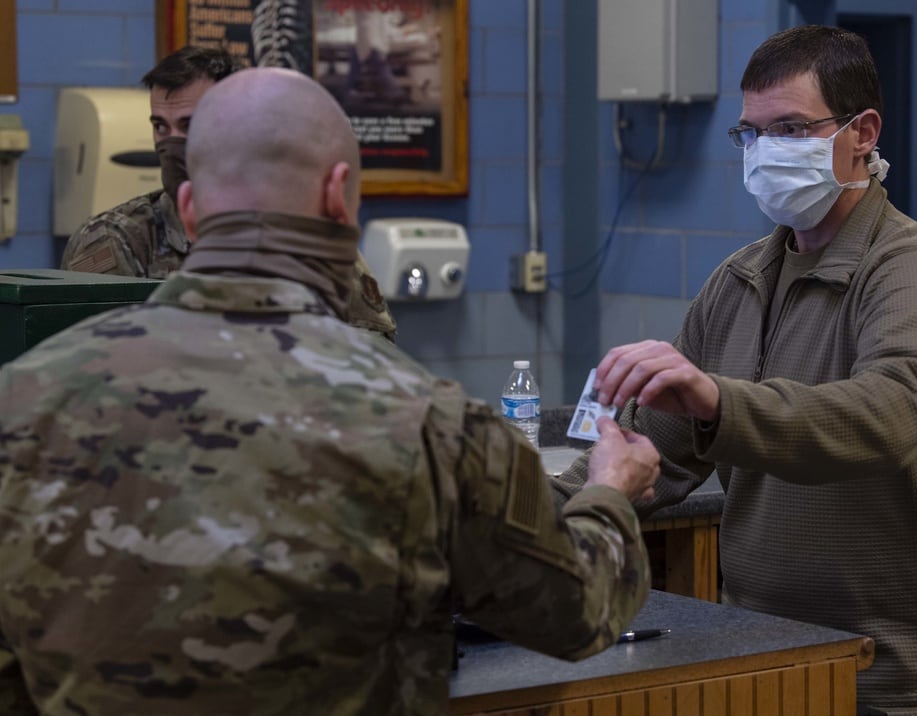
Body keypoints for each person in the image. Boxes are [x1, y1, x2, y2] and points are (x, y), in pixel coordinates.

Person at [0, 67, 659, 715]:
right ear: (339, 197)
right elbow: (573, 612)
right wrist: (610, 491)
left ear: (191, 210)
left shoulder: (24, 397)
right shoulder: (429, 421)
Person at [553, 24, 917, 714]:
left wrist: (719, 402)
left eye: (790, 128)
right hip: (766, 663)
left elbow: (888, 418)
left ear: (863, 132)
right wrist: (514, 518)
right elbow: (647, 450)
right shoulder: (740, 282)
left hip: (897, 683)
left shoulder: (913, 270)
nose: (765, 153)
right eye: (751, 135)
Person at [59, 45, 397, 341]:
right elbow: (91, 360)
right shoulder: (117, 238)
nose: (170, 142)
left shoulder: (303, 231)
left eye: (190, 125)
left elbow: (373, 350)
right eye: (160, 126)